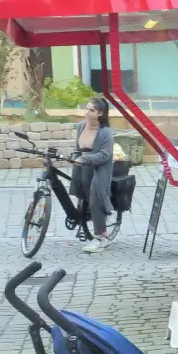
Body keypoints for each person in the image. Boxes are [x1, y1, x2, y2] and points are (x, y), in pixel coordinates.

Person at [73, 97, 117, 254]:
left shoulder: (105, 133)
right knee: (83, 196)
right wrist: (74, 157)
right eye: (87, 108)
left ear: (100, 113)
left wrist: (86, 159)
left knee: (95, 198)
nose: (87, 112)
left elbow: (105, 155)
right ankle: (85, 226)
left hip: (99, 169)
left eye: (91, 110)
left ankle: (101, 236)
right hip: (82, 167)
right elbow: (77, 148)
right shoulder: (81, 126)